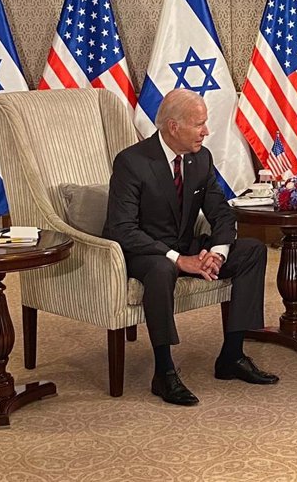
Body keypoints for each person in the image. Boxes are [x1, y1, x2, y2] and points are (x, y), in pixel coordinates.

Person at [103, 89, 278, 406]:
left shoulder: (200, 158)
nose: (206, 131)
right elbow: (122, 229)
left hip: (187, 245)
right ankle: (164, 371)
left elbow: (221, 213)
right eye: (199, 124)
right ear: (173, 127)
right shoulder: (132, 162)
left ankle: (232, 356)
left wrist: (217, 252)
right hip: (144, 252)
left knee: (252, 250)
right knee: (161, 269)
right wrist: (178, 259)